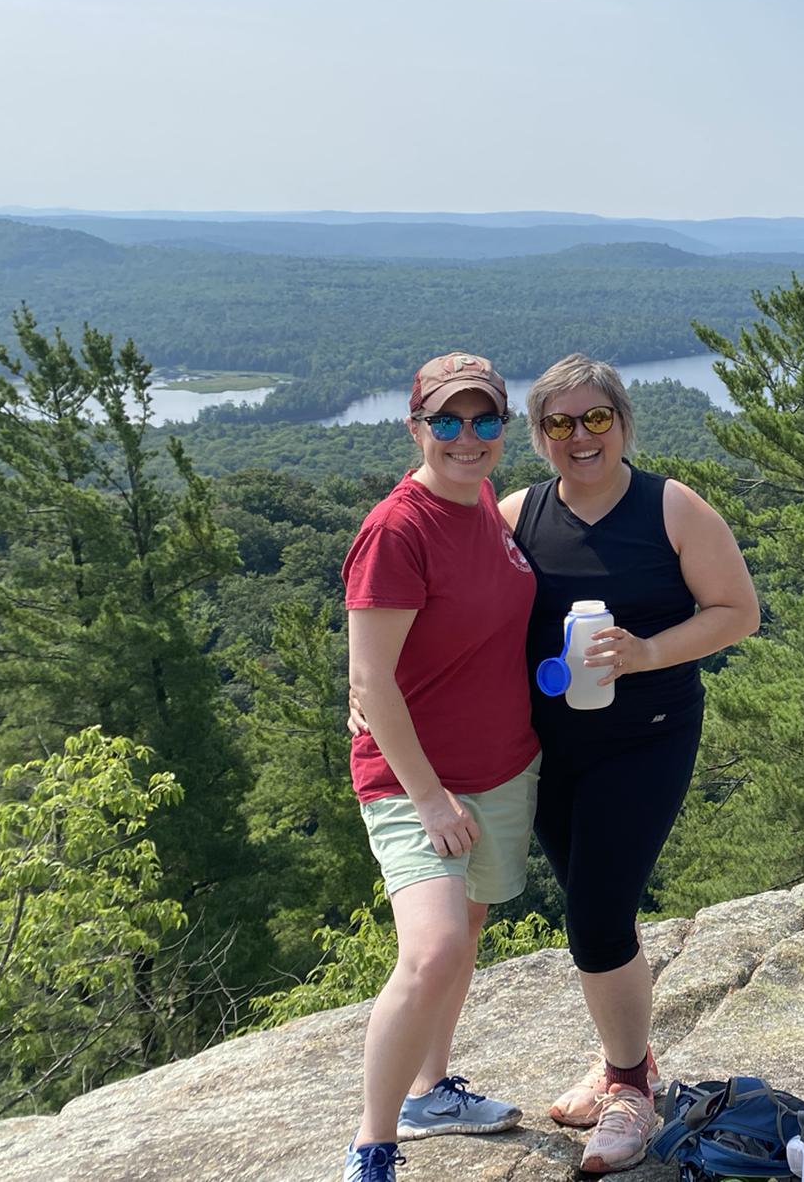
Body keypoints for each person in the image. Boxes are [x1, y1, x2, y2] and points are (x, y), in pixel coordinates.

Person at [499, 354, 759, 1174]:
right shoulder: (516, 515)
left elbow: (737, 613)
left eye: (597, 419)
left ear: (623, 422)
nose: (581, 437)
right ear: (539, 436)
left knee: (597, 914)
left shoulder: (671, 508)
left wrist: (646, 652)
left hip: (648, 735)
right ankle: (631, 1058)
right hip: (549, 747)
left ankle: (628, 1090)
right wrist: (375, 685)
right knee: (590, 904)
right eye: (560, 423)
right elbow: (453, 614)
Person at [339, 353, 543, 1182]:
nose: (468, 438)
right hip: (416, 782)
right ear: (416, 425)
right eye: (448, 422)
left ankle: (432, 1090)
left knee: (465, 943)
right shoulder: (400, 527)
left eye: (486, 420)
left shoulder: (483, 499)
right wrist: (428, 797)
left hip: (501, 768)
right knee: (430, 951)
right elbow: (369, 677)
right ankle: (373, 1144)